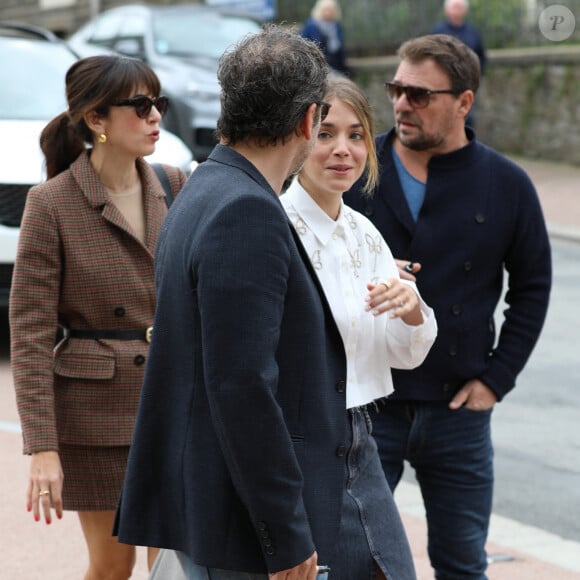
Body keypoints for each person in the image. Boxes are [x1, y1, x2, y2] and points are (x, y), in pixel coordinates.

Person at [114, 24, 361, 580]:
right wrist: (287, 533)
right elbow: (243, 386)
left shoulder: (205, 189)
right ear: (307, 120)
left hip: (212, 507)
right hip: (240, 526)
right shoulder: (245, 211)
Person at [343, 34, 552, 579]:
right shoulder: (357, 169)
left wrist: (496, 379)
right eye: (396, 89)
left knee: (461, 564)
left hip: (458, 410)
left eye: (420, 94)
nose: (401, 104)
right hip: (369, 405)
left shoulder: (506, 183)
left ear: (464, 102)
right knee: (358, 561)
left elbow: (533, 286)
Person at [9, 55, 187, 579]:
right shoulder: (51, 203)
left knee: (177, 560)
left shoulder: (175, 184)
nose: (155, 116)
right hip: (97, 415)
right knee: (113, 565)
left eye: (159, 103)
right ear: (95, 119)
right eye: (140, 105)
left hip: (173, 400)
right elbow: (31, 332)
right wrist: (42, 447)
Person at [281, 75, 438, 576]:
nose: (342, 150)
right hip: (298, 442)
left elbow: (400, 352)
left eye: (355, 135)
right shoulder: (275, 225)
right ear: (299, 135)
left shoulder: (364, 233)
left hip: (361, 436)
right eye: (325, 133)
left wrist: (411, 308)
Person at [431, 0, 486, 127]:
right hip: (444, 84)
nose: (456, 10)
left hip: (468, 83)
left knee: (468, 116)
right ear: (447, 10)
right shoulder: (438, 32)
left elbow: (482, 56)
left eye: (459, 7)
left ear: (465, 10)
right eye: (454, 7)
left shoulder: (472, 32)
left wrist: (476, 75)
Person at [301, 0, 349, 76]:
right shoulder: (311, 25)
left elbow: (340, 49)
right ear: (320, 10)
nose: (328, 12)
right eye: (326, 10)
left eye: (331, 10)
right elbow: (303, 45)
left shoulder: (336, 25)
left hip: (335, 65)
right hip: (316, 66)